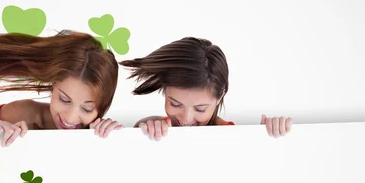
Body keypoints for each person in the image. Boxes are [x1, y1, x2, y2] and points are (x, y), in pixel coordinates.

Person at [0, 30, 123, 146]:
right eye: (64, 99)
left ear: (102, 106)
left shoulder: (99, 132)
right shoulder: (22, 113)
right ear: (53, 85)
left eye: (87, 108)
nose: (70, 117)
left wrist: (136, 131)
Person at [119, 37, 293, 140]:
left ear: (220, 95)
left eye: (200, 108)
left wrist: (267, 136)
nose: (186, 118)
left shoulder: (233, 136)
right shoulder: (158, 128)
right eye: (175, 104)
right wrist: (142, 129)